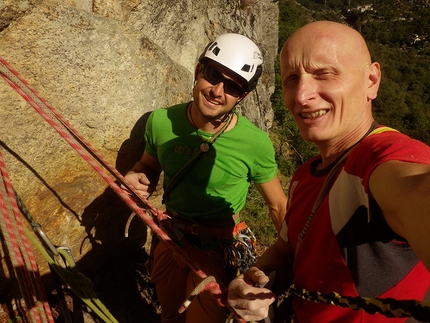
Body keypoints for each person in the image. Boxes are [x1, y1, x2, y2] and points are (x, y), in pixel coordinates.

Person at [227, 21, 430, 323]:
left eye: (324, 73)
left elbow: (415, 191)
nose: (301, 95)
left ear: (371, 80)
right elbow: (286, 251)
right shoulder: (302, 177)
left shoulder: (386, 159)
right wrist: (257, 280)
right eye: (291, 79)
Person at [123, 33, 287, 323]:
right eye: (212, 75)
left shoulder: (255, 143)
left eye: (233, 86)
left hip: (217, 249)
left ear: (243, 96)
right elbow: (147, 165)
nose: (217, 91)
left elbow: (278, 208)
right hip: (170, 237)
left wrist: (296, 265)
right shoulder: (161, 121)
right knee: (170, 316)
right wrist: (138, 176)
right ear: (199, 70)